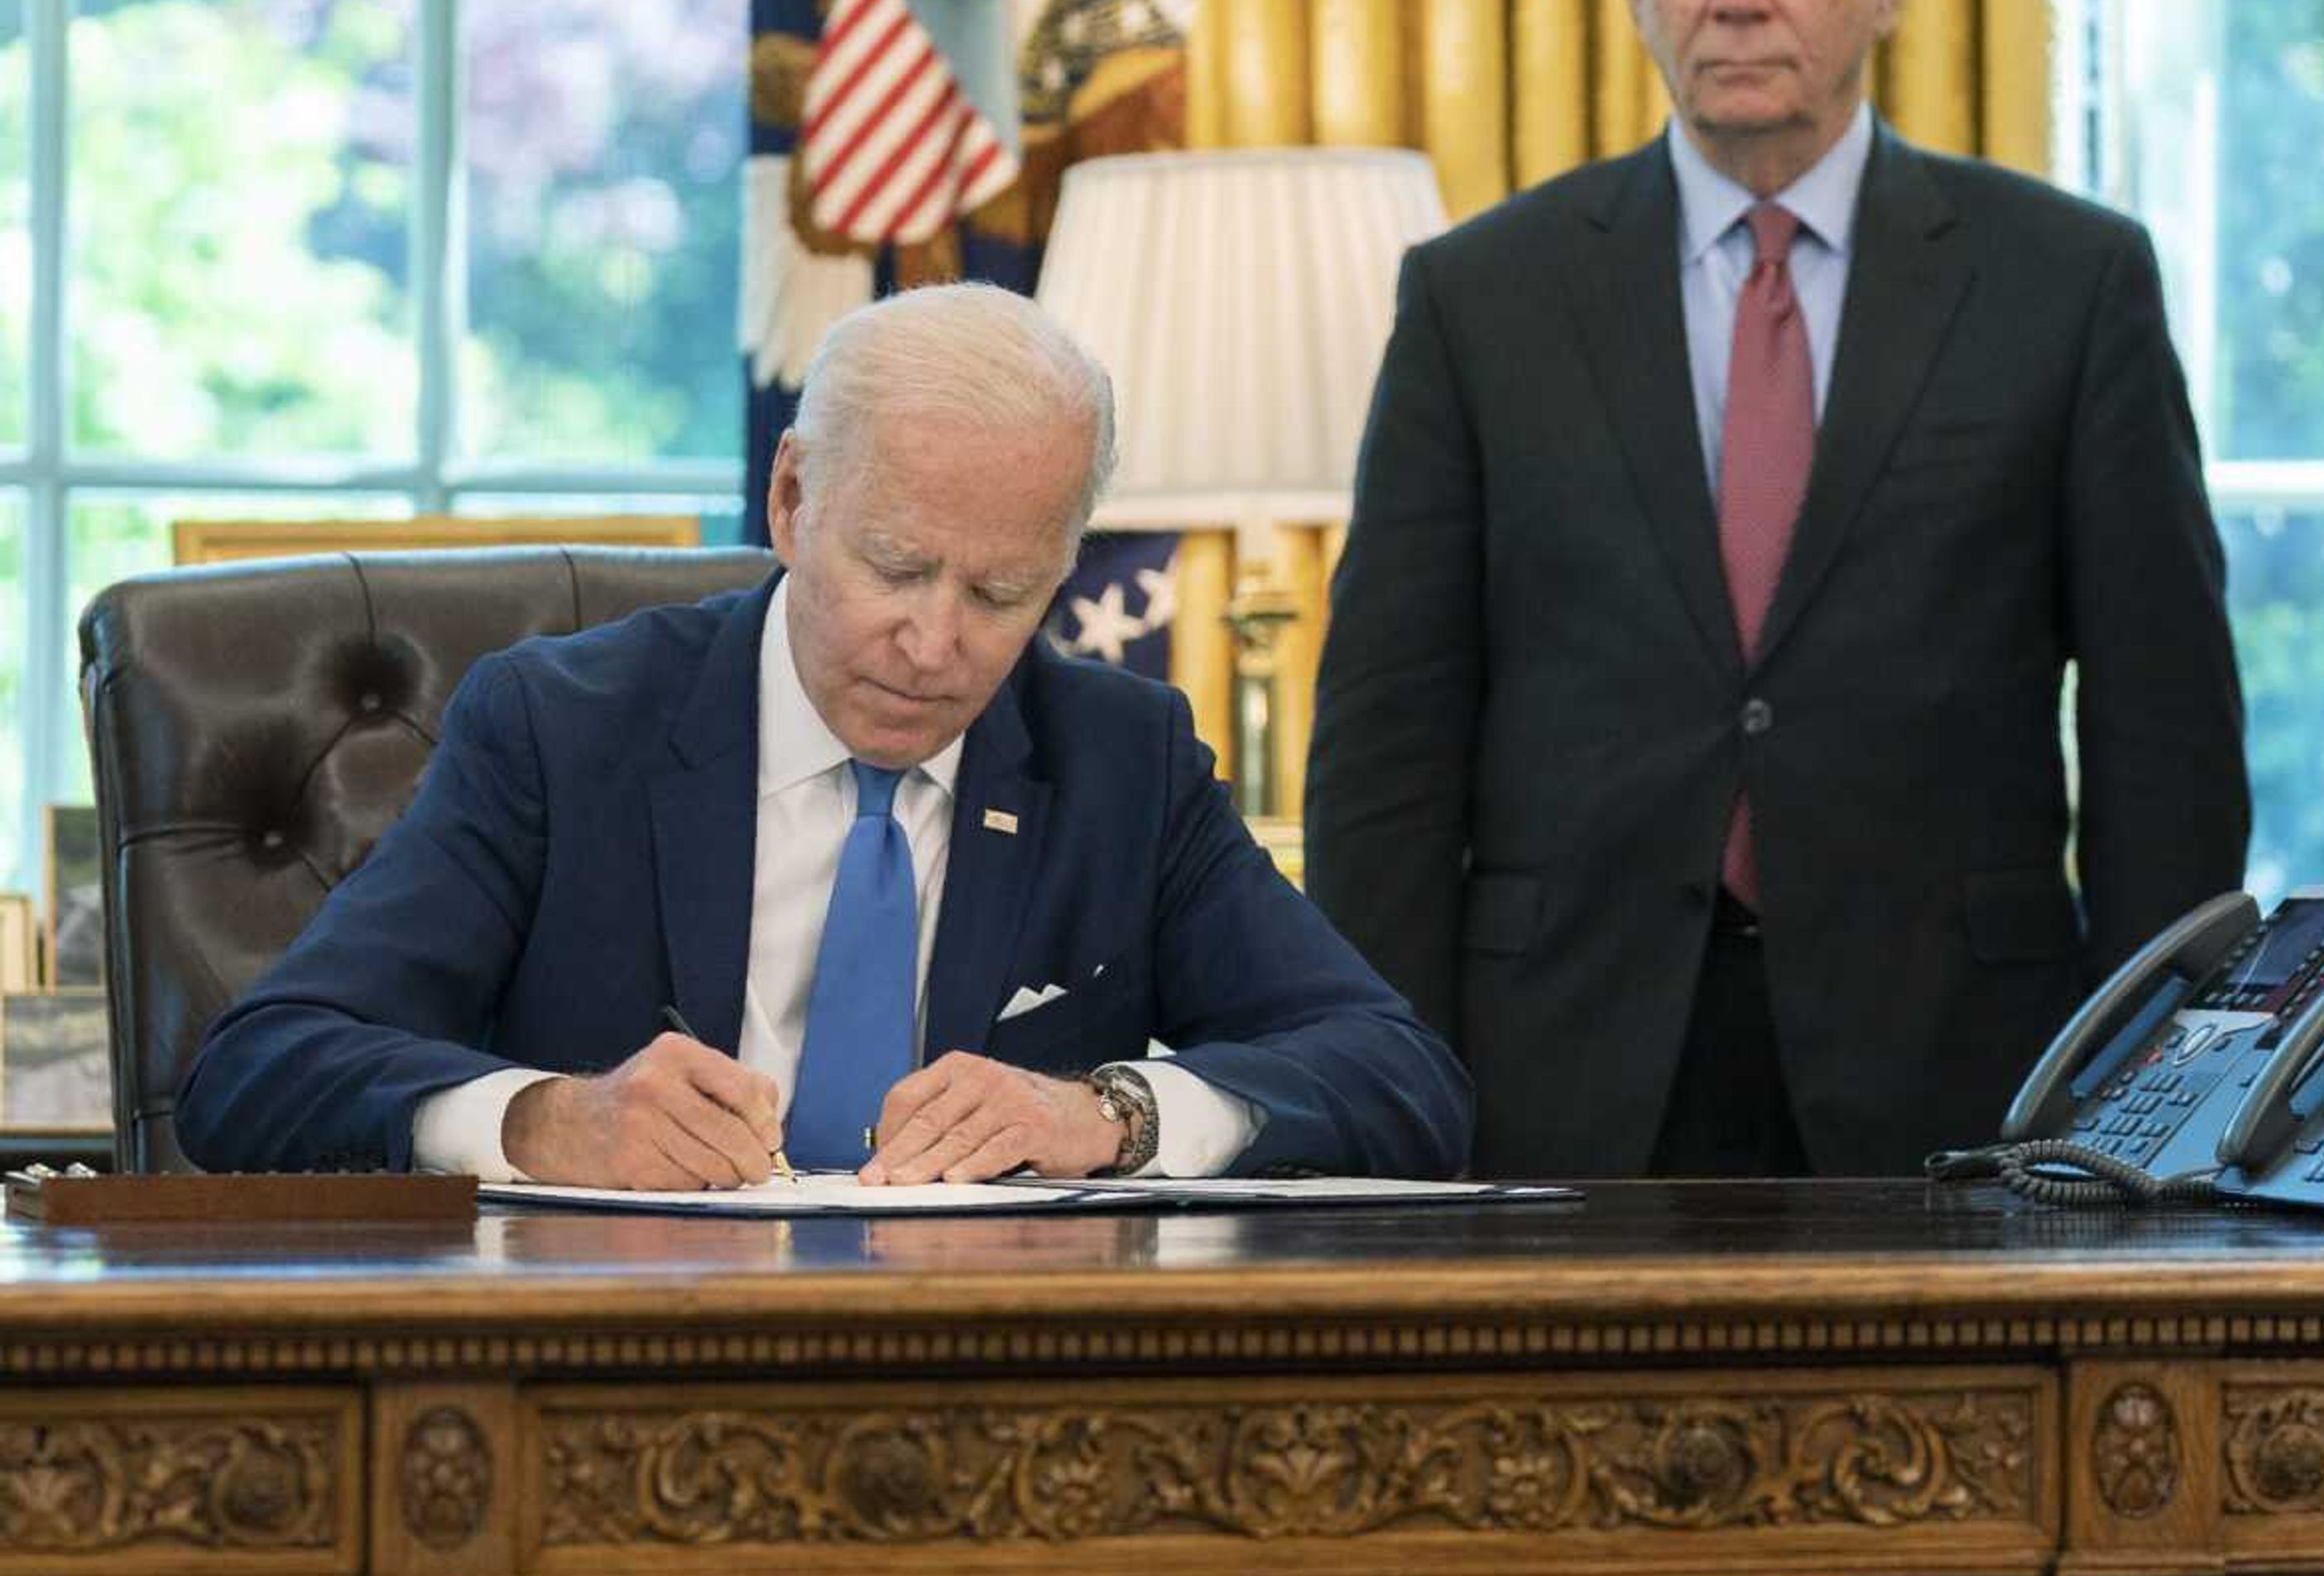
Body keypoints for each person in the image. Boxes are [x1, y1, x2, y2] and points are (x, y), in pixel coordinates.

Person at [1304, 0, 2248, 1179]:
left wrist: (2149, 1097)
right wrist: (1387, 1089)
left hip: (1968, 1072)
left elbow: (2162, 736)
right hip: (1557, 1069)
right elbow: (1387, 744)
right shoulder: (1480, 298)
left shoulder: (2066, 283)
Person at [179, 283, 1470, 1188]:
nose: (935, 643)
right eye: (897, 568)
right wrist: (547, 1120)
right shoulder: (561, 733)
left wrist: (1112, 1113)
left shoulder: (1116, 760)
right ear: (794, 498)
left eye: (1000, 594)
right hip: (607, 1377)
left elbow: (1398, 1077)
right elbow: (259, 1073)